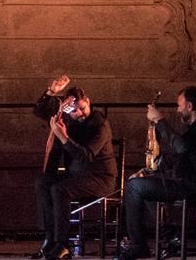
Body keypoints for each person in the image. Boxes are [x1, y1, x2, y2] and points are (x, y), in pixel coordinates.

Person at [115, 86, 196, 260]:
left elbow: (181, 147)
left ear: (190, 106)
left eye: (179, 105)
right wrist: (147, 171)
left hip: (193, 186)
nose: (178, 110)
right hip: (187, 182)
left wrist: (160, 120)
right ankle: (169, 236)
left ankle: (138, 245)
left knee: (133, 188)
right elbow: (179, 155)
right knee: (144, 187)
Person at [31, 75, 118, 260]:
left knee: (59, 189)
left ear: (88, 102)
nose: (79, 113)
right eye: (75, 110)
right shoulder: (68, 118)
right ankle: (50, 239)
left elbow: (85, 156)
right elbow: (39, 111)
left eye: (83, 108)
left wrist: (62, 136)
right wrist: (51, 92)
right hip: (76, 176)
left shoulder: (99, 124)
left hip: (99, 178)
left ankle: (62, 245)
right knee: (43, 182)